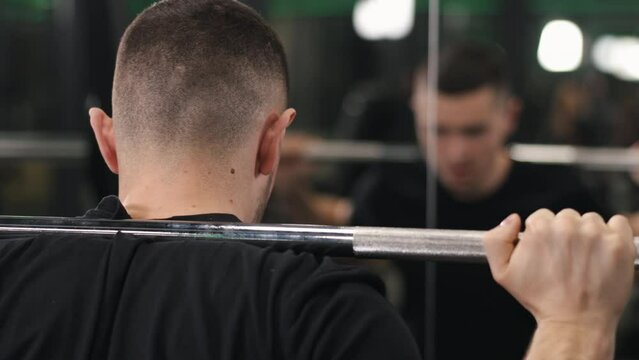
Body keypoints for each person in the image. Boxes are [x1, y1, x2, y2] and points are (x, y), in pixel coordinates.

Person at [0, 2, 634, 359]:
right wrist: (574, 326)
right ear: (273, 142)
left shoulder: (12, 270)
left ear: (106, 139)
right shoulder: (323, 314)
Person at [350, 40, 611, 359]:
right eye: (438, 130)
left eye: (474, 132)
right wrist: (292, 188)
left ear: (510, 116)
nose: (457, 152)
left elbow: (619, 245)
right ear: (416, 114)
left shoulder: (557, 192)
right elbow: (340, 249)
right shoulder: (391, 187)